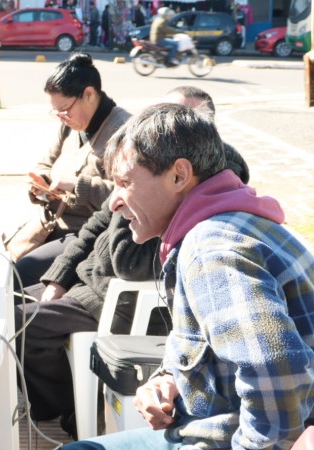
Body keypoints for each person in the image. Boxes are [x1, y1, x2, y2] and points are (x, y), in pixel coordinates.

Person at [63, 103, 314, 449]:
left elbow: (278, 373)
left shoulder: (210, 248)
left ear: (179, 175)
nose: (114, 203)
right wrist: (169, 379)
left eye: (125, 183)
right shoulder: (233, 223)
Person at [15, 86, 251, 438]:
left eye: (170, 121)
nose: (154, 127)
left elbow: (130, 263)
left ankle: (66, 406)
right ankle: (68, 402)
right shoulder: (143, 160)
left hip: (116, 297)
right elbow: (96, 224)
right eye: (156, 114)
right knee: (10, 296)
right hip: (90, 280)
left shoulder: (212, 208)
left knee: (19, 323)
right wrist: (59, 277)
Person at [13, 53, 130, 290]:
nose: (62, 118)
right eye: (56, 112)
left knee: (21, 273)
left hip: (90, 232)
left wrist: (78, 185)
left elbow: (131, 194)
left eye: (65, 110)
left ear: (89, 94)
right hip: (54, 224)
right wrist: (41, 182)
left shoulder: (124, 132)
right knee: (7, 268)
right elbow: (45, 163)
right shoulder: (69, 127)